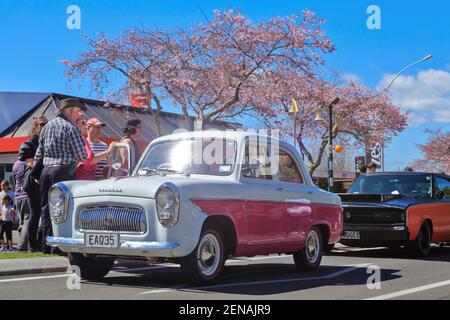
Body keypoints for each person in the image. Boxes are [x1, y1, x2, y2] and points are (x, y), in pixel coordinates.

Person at [34, 98, 88, 253]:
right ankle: (59, 247)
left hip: (46, 171)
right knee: (63, 209)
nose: (78, 115)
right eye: (77, 111)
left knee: (46, 209)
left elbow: (39, 154)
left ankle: (46, 245)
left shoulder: (47, 127)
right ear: (70, 110)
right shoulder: (70, 128)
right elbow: (82, 155)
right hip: (63, 171)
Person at [22, 116, 48, 252]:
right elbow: (30, 163)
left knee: (45, 213)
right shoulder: (30, 143)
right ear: (35, 127)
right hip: (33, 182)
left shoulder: (47, 141)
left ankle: (42, 243)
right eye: (41, 124)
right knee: (35, 213)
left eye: (46, 124)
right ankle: (32, 245)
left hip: (44, 180)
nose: (44, 126)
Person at [12, 142, 36, 251]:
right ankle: (22, 246)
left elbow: (14, 180)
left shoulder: (15, 164)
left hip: (17, 197)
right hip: (27, 195)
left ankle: (24, 243)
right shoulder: (28, 163)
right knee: (27, 221)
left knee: (22, 222)